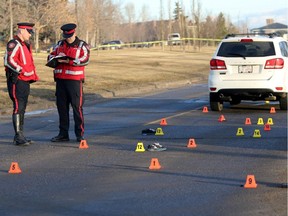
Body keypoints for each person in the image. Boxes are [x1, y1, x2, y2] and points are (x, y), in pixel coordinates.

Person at [47, 23, 90, 142]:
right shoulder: (60, 44)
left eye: (69, 35)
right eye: (65, 35)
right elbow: (51, 56)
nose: (67, 38)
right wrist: (54, 59)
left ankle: (79, 133)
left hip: (75, 81)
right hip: (60, 80)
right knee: (62, 108)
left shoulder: (82, 45)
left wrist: (69, 61)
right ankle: (63, 134)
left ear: (74, 33)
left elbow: (85, 59)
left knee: (77, 108)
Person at [4, 22, 39, 146]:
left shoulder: (25, 45)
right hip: (17, 80)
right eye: (28, 32)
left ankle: (20, 134)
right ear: (22, 30)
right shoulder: (14, 43)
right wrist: (20, 70)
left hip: (25, 81)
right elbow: (9, 60)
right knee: (18, 106)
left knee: (22, 107)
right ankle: (18, 136)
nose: (30, 35)